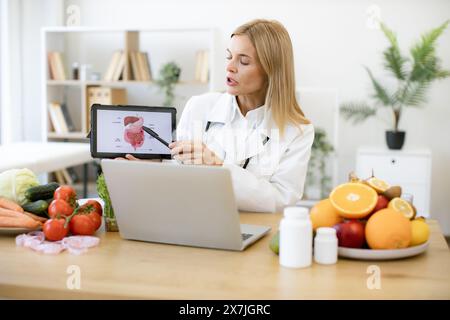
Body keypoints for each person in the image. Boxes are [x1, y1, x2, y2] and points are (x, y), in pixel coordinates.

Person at [119, 19, 314, 213]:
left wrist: (218, 166)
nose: (230, 67)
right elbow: (179, 170)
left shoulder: (297, 131)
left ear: (272, 71)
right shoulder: (199, 106)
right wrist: (150, 168)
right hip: (195, 219)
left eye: (243, 61)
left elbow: (282, 199)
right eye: (229, 57)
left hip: (256, 229)